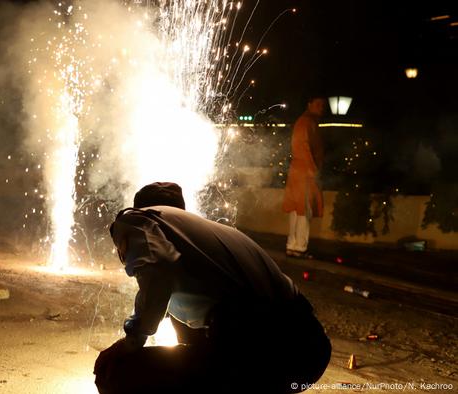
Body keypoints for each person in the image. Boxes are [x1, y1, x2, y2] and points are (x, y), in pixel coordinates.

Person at [94, 182, 330, 394]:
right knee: (186, 322)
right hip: (308, 355)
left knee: (115, 371)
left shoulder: (139, 219)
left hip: (258, 352)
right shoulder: (215, 237)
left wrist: (131, 341)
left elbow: (158, 272)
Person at [282, 97, 325, 258]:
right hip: (305, 173)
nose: (322, 108)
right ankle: (300, 247)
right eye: (318, 104)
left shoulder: (305, 121)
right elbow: (303, 146)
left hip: (299, 171)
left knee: (296, 209)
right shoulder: (307, 122)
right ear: (309, 104)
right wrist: (313, 169)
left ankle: (292, 245)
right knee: (304, 210)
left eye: (323, 105)